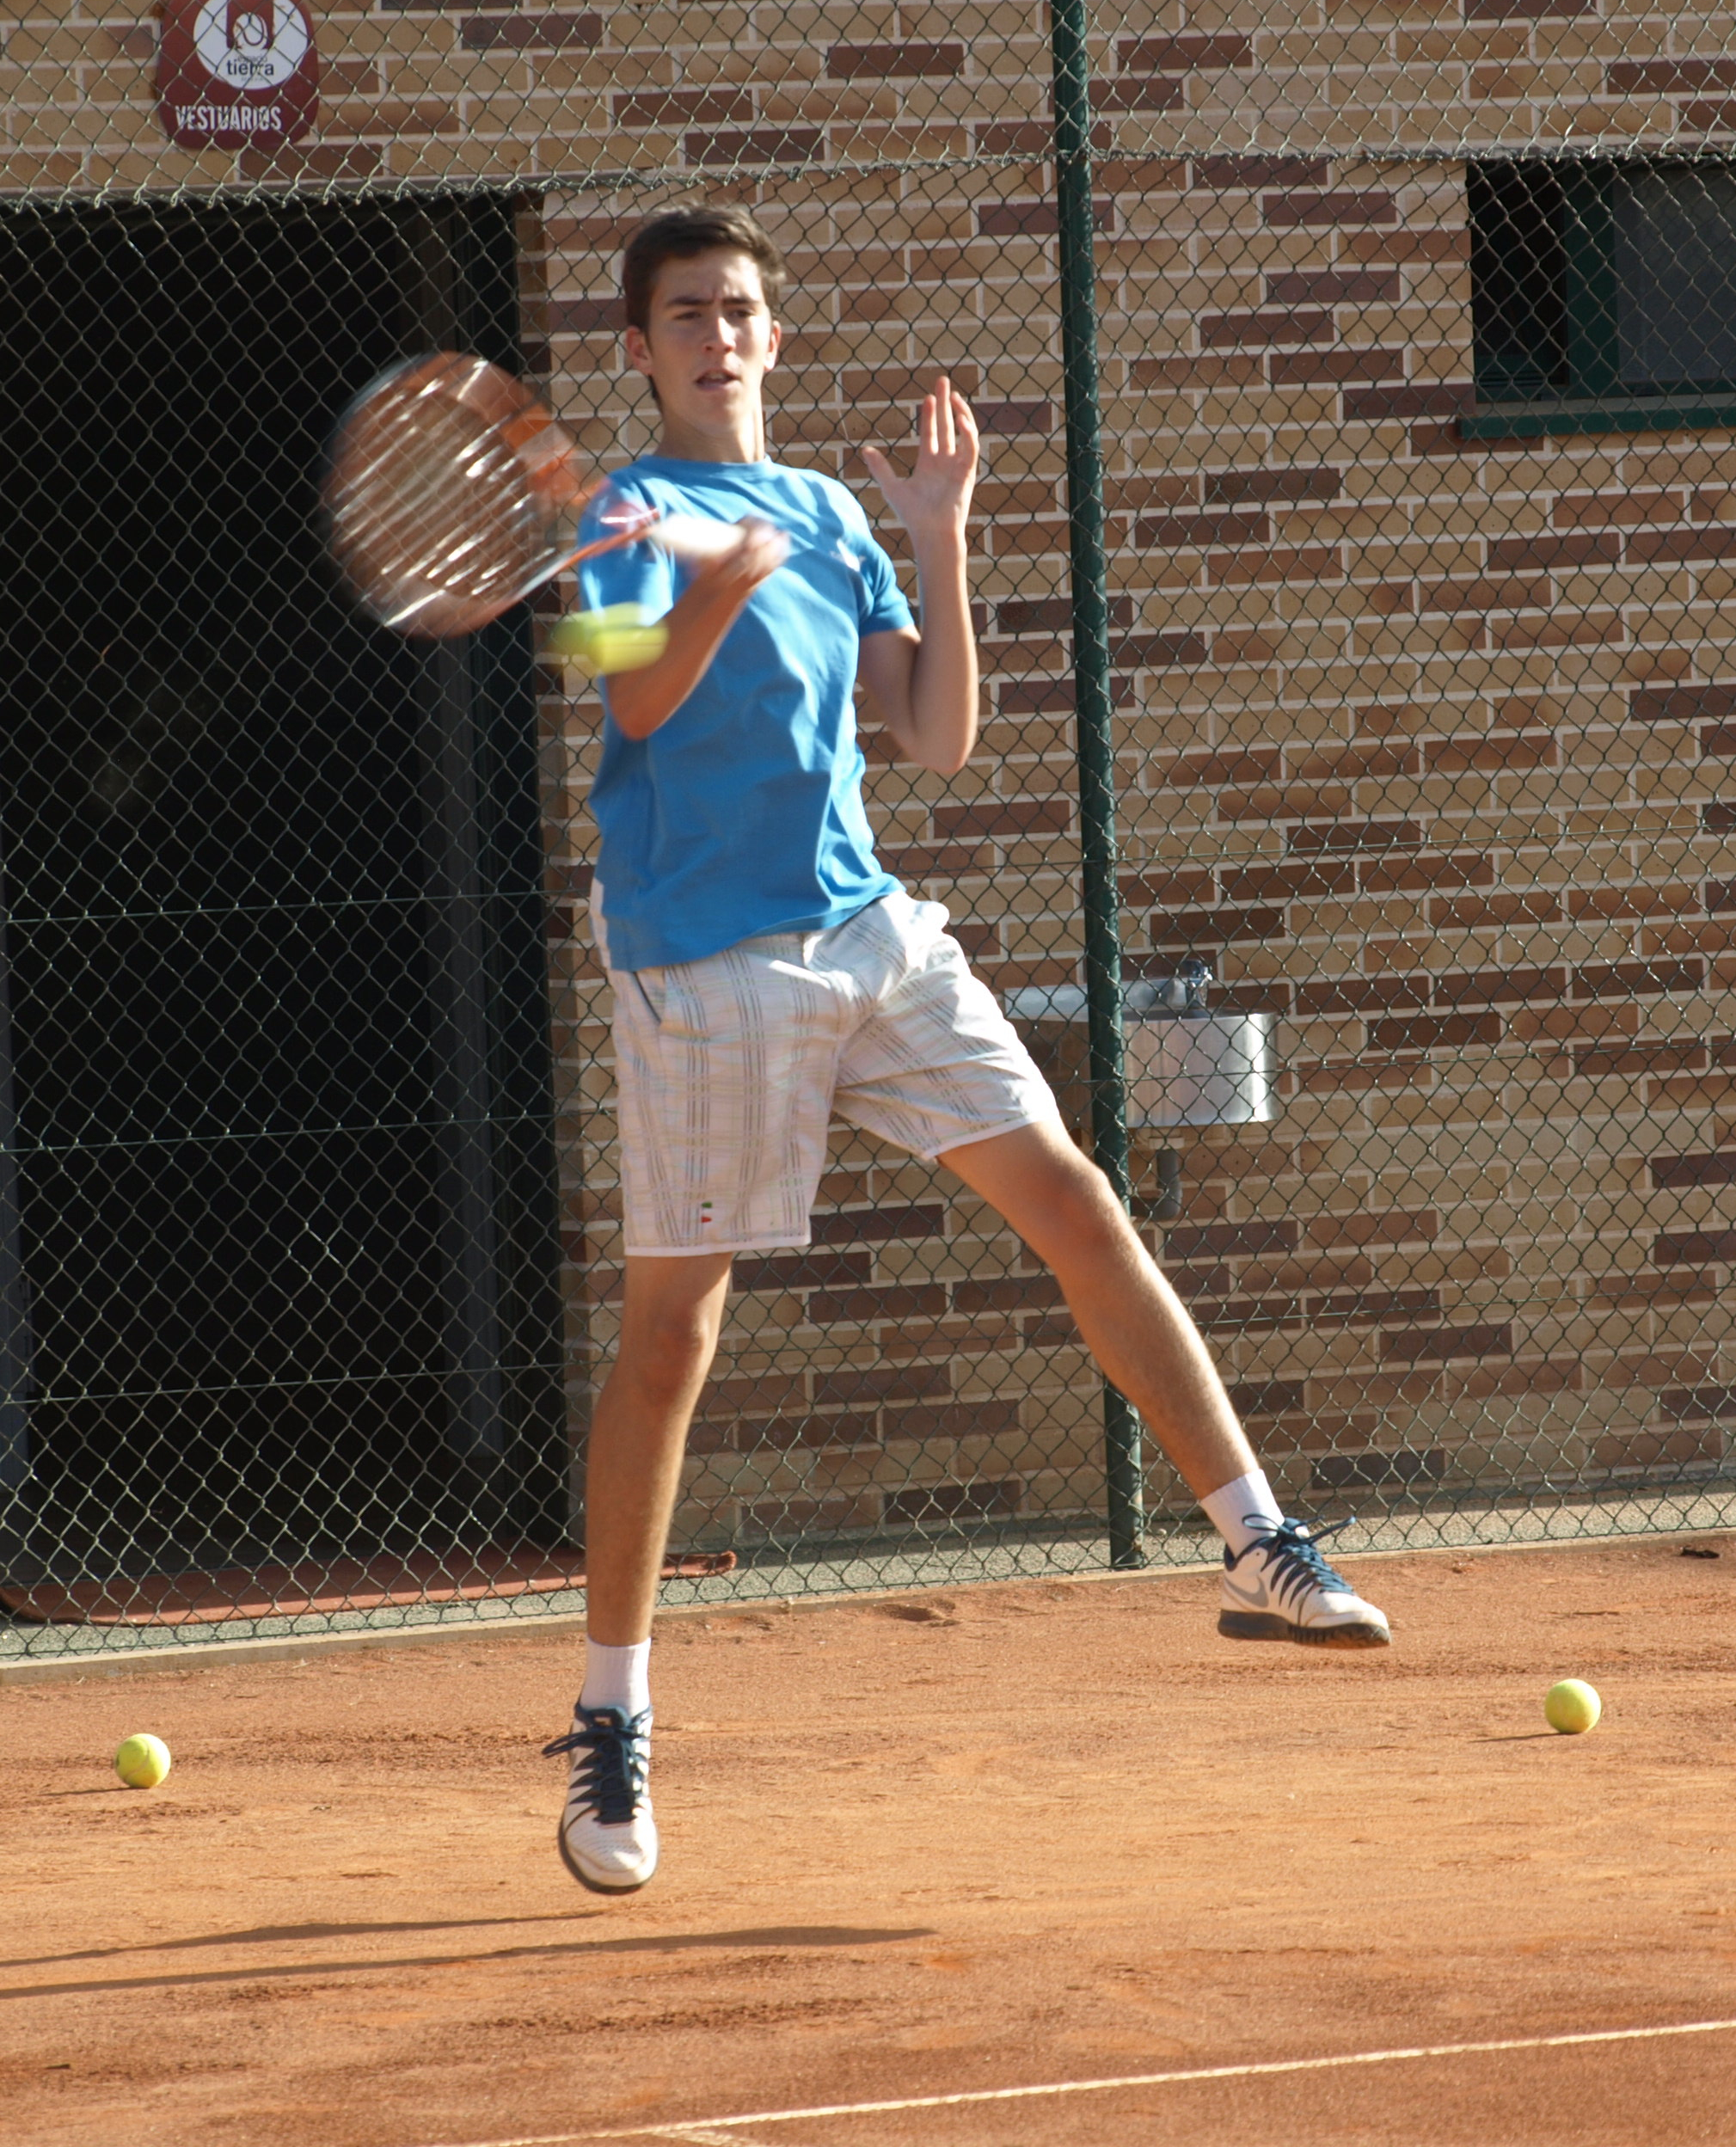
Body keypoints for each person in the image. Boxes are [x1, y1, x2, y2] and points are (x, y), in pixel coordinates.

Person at [548, 205, 1390, 1897]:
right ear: (641, 349)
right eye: (687, 314)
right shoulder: (622, 512)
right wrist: (712, 590)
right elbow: (630, 701)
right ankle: (612, 1727)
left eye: (742, 310)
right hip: (706, 964)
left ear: (775, 340)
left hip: (871, 932)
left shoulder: (830, 509)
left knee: (1075, 1196)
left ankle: (1256, 1544)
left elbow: (932, 735)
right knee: (673, 1339)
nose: (720, 334)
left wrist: (936, 535)